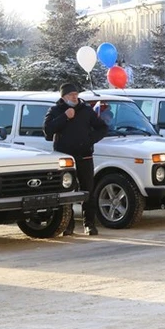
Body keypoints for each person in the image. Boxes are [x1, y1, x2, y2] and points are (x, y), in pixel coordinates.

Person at [43, 83, 108, 235]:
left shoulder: (86, 110)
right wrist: (65, 117)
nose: (74, 96)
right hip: (65, 159)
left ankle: (89, 224)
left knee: (88, 191)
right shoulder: (55, 110)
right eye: (71, 95)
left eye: (76, 94)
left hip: (84, 155)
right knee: (66, 192)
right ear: (63, 97)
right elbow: (47, 131)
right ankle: (68, 225)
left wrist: (89, 139)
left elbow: (102, 127)